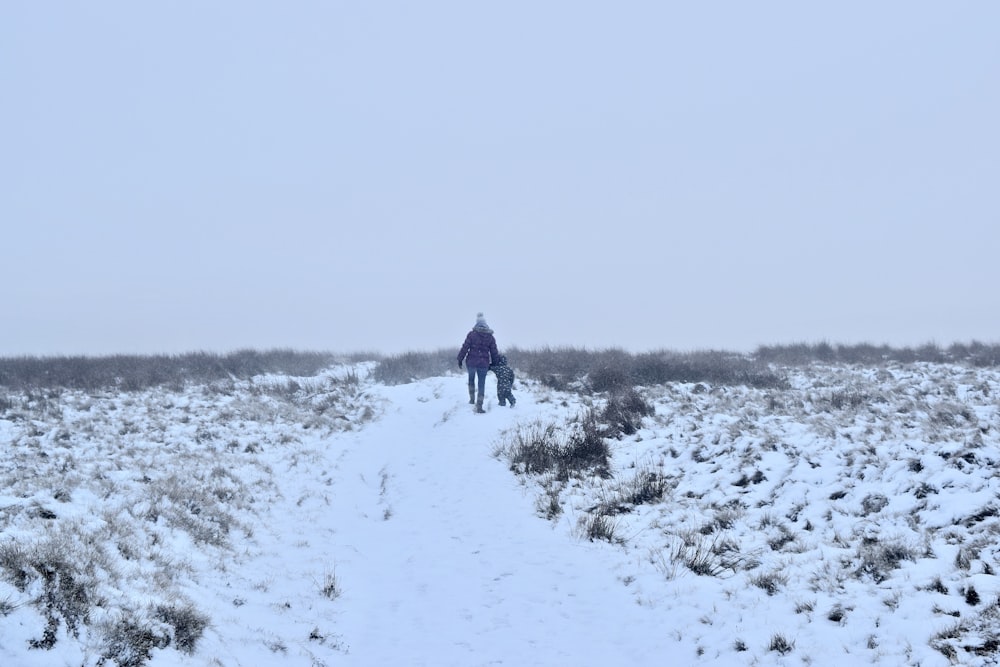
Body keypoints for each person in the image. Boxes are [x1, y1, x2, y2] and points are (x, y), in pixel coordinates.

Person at [457, 312, 499, 413]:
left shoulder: (472, 335)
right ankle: (479, 405)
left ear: (476, 323)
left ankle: (472, 399)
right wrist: (495, 363)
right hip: (483, 364)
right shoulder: (490, 337)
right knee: (481, 384)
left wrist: (460, 359)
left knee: (471, 380)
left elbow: (465, 347)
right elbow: (494, 351)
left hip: (471, 362)